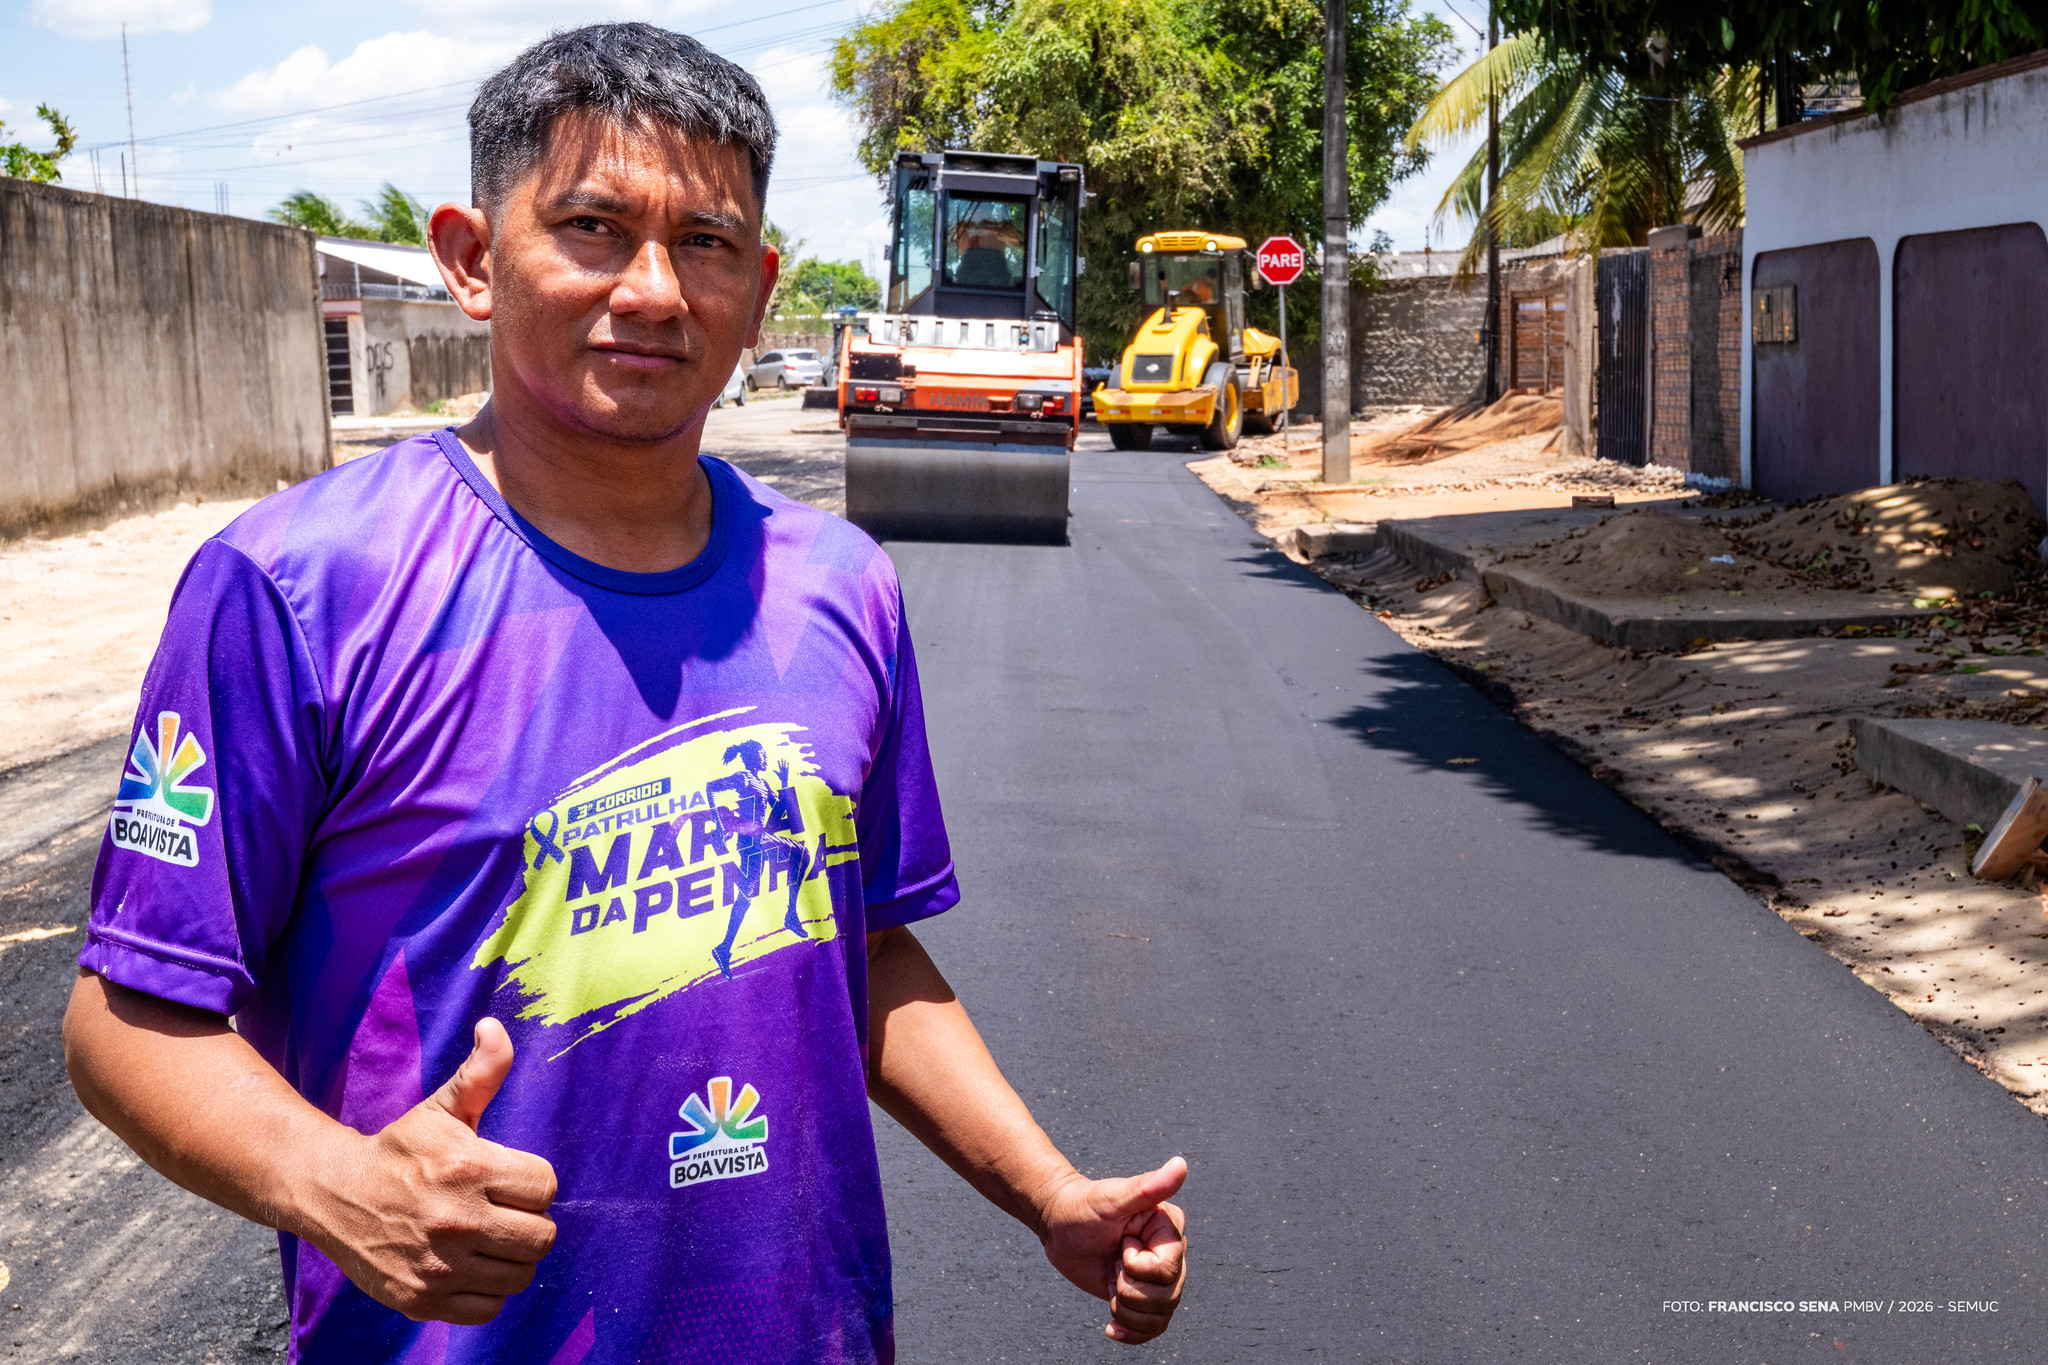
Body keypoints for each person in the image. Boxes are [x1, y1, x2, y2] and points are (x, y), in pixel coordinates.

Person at [62, 23, 1186, 1364]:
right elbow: (126, 1018)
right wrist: (337, 1186)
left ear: (761, 288)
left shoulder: (840, 586)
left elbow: (867, 949)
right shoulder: (299, 589)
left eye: (706, 242)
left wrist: (1047, 1189)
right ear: (473, 260)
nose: (653, 291)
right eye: (592, 227)